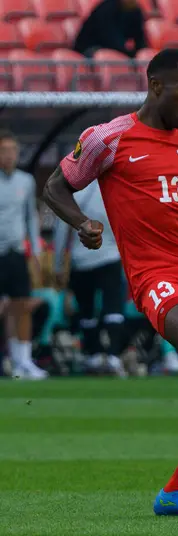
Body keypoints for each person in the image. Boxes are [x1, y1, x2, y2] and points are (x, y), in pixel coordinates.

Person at [42, 48, 178, 517]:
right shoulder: (108, 138)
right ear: (156, 86)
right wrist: (82, 223)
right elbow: (56, 186)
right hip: (155, 273)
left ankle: (177, 489)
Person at [54, 180, 126, 376]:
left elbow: (62, 231)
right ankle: (113, 356)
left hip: (81, 259)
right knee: (114, 308)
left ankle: (94, 354)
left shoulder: (73, 190)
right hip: (111, 257)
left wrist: (58, 264)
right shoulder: (115, 189)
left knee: (87, 311)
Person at [0, 130, 48, 379]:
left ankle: (23, 361)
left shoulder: (25, 181)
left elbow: (31, 217)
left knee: (22, 306)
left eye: (12, 151)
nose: (9, 156)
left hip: (17, 252)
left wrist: (37, 251)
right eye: (4, 151)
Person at [74, 0, 146, 58]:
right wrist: (128, 53)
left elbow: (139, 37)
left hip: (111, 48)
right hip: (89, 49)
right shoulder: (107, 8)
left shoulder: (135, 10)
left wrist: (138, 52)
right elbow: (109, 37)